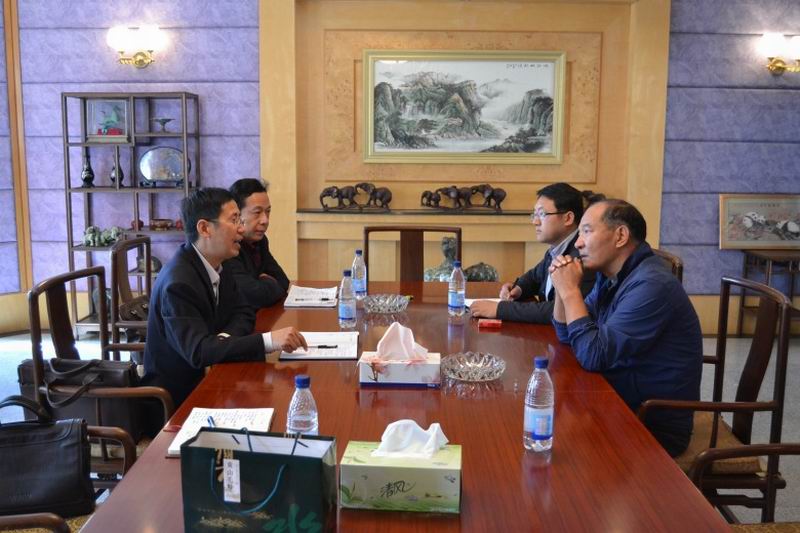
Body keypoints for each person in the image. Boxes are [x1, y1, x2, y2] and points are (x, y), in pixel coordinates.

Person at [549, 199, 702, 456]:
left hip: (650, 423)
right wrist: (560, 288)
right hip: (618, 399)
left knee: (556, 448)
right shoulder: (613, 275)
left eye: (586, 231)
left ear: (620, 236)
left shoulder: (652, 284)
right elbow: (567, 335)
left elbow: (592, 355)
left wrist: (571, 291)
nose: (578, 243)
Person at [142, 188, 307, 408]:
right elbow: (199, 352)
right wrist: (269, 341)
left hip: (215, 380)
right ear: (204, 228)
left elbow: (244, 312)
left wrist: (221, 341)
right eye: (234, 220)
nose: (241, 228)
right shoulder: (178, 283)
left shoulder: (220, 264)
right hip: (179, 400)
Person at [470, 182, 596, 323]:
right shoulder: (557, 248)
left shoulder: (582, 256)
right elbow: (535, 276)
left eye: (542, 214)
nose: (535, 222)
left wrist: (500, 309)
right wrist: (518, 288)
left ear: (568, 218)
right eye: (534, 215)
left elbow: (558, 310)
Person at [225, 178, 290, 308]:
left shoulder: (261, 241)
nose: (265, 220)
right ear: (237, 215)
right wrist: (266, 280)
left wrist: (262, 283)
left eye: (268, 211)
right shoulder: (229, 246)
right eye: (257, 212)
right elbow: (253, 295)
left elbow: (283, 281)